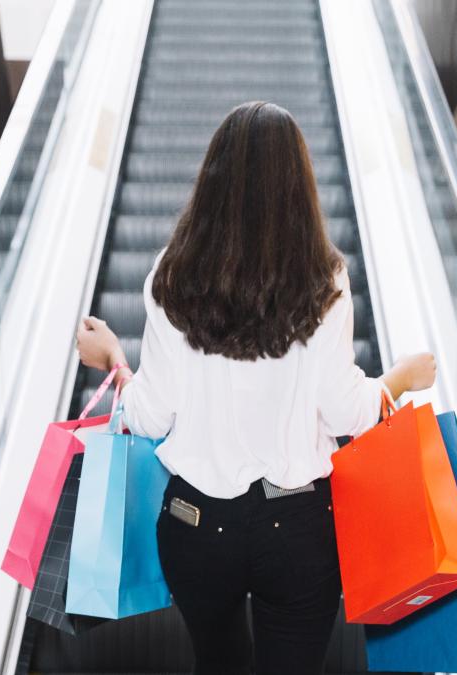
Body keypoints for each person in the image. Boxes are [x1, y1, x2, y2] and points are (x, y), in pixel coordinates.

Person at [75, 101, 437, 675]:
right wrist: (401, 378)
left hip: (195, 524)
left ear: (213, 178)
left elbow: (148, 418)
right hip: (298, 528)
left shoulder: (172, 274)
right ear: (298, 184)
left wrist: (115, 360)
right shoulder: (324, 277)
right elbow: (346, 412)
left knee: (217, 663)